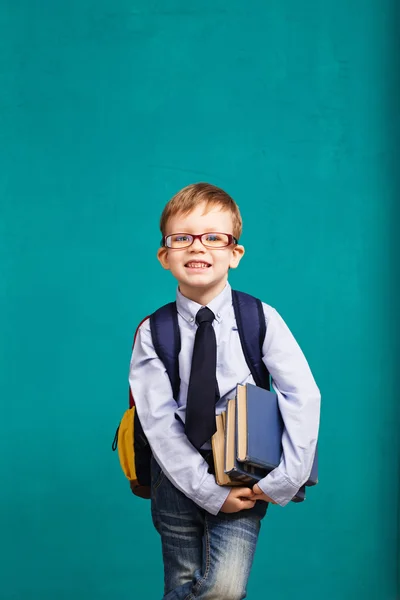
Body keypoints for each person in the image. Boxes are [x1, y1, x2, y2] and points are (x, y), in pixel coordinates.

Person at [129, 183, 321, 600]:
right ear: (165, 256)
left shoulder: (260, 318)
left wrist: (283, 481)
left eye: (214, 237)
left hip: (244, 469)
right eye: (182, 238)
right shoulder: (152, 331)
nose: (198, 248)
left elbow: (303, 396)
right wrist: (206, 491)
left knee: (224, 589)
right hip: (175, 472)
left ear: (235, 253)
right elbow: (158, 423)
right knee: (182, 581)